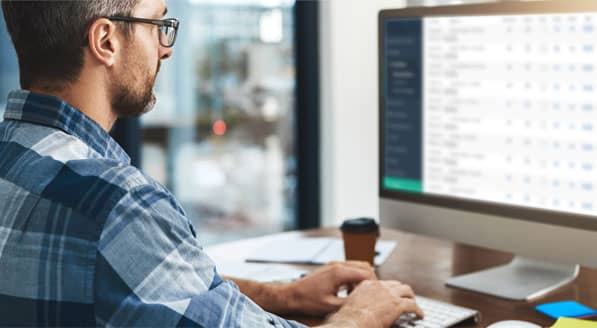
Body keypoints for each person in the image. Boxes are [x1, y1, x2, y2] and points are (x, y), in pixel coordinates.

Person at [0, 0, 423, 327]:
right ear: (106, 41)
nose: (165, 51)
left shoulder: (12, 155)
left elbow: (146, 288)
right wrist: (360, 316)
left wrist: (286, 296)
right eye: (158, 26)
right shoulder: (117, 202)